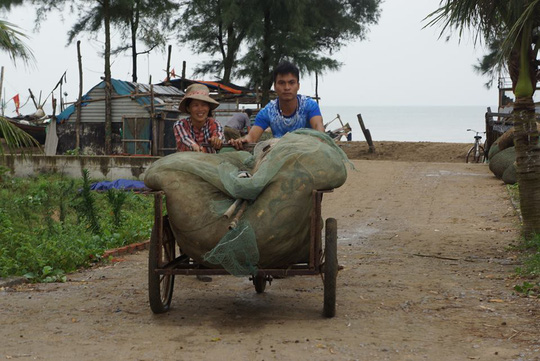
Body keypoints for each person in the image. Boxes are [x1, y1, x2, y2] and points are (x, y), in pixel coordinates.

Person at [230, 61, 324, 150]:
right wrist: (243, 140)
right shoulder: (268, 112)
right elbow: (252, 137)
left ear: (298, 86)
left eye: (291, 83)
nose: (287, 88)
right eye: (282, 83)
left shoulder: (309, 105)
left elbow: (319, 129)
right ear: (275, 86)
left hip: (308, 153)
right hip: (279, 156)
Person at [173, 84, 225, 153]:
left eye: (204, 105)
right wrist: (194, 146)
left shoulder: (215, 124)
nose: (200, 109)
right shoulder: (180, 125)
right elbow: (185, 139)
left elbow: (219, 136)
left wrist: (217, 140)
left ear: (208, 108)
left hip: (210, 161)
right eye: (195, 105)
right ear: (188, 108)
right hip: (187, 161)